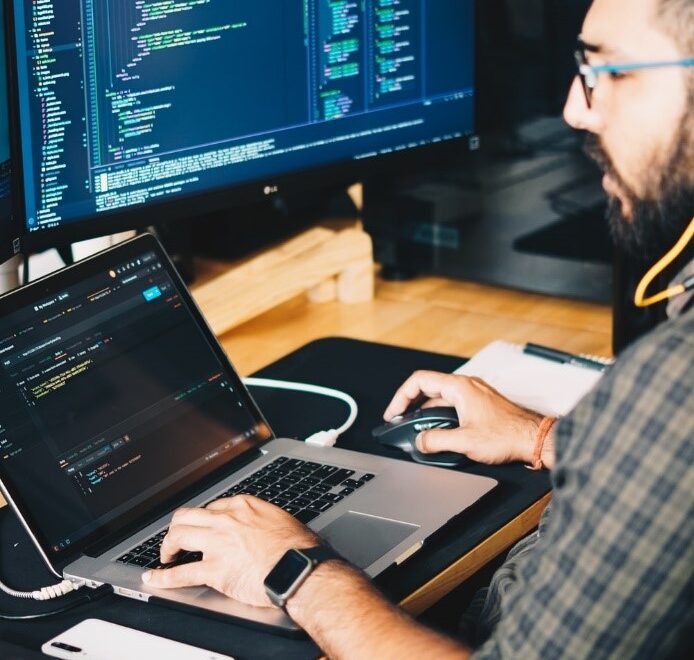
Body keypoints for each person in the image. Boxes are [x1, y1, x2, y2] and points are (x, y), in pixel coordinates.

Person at [142, 0, 693, 657]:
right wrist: (544, 437)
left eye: (610, 71)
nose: (576, 107)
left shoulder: (674, 381)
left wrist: (296, 570)